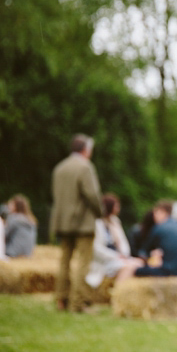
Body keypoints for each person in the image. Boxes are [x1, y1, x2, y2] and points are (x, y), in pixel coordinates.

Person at [50, 134, 104, 312]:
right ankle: (78, 304)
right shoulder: (85, 167)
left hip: (62, 222)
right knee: (83, 262)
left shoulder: (60, 168)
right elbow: (92, 195)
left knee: (64, 261)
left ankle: (61, 299)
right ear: (85, 150)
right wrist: (101, 213)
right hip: (82, 223)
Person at [116, 200, 177, 281]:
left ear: (162, 212)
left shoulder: (159, 227)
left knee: (130, 268)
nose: (154, 216)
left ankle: (116, 291)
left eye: (155, 213)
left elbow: (143, 253)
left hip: (167, 272)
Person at [85, 194, 141, 288]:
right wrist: (117, 256)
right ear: (109, 206)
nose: (118, 208)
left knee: (139, 263)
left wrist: (124, 256)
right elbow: (97, 249)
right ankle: (118, 293)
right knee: (128, 267)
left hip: (119, 257)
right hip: (104, 260)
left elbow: (123, 242)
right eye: (116, 205)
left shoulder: (115, 222)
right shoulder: (97, 223)